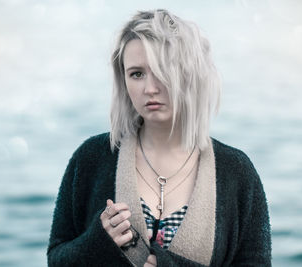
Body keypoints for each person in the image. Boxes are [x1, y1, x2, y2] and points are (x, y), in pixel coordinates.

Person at [47, 9, 271, 267]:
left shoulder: (237, 171)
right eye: (137, 74)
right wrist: (98, 241)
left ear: (190, 73)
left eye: (162, 71)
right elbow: (56, 259)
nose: (149, 88)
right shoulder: (91, 158)